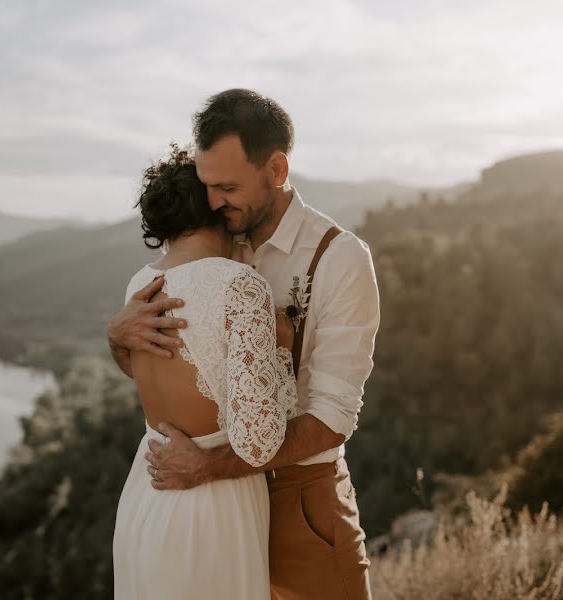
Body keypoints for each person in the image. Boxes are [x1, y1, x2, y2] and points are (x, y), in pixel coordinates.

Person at [109, 89, 381, 599]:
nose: (212, 201)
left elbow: (333, 417)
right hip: (204, 505)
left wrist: (210, 467)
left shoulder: (340, 258)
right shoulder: (212, 239)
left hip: (299, 503)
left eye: (228, 186)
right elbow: (193, 370)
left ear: (276, 170)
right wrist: (119, 339)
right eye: (207, 185)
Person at [111, 144, 299, 599]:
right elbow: (259, 442)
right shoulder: (240, 286)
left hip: (146, 491)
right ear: (216, 208)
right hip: (210, 502)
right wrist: (284, 346)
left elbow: (147, 371)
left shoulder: (141, 283)